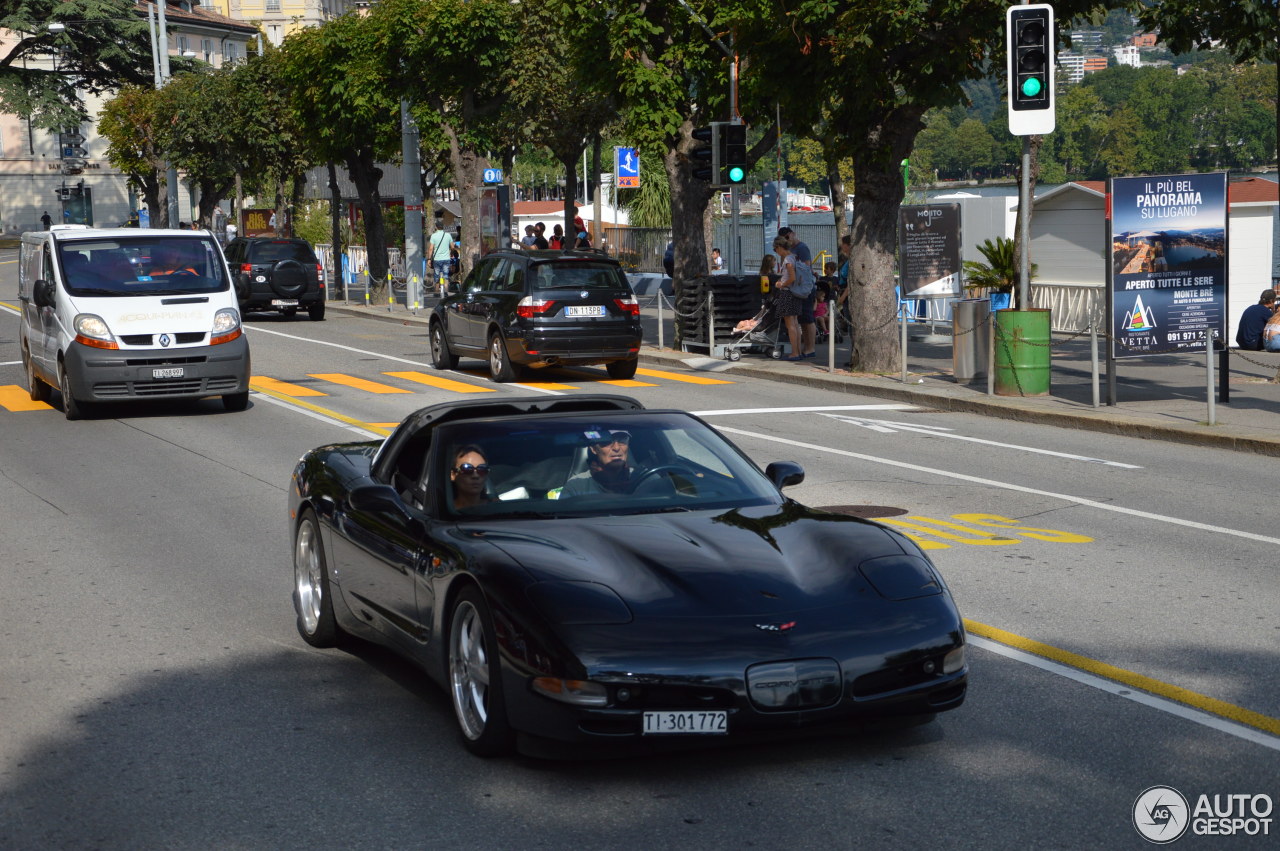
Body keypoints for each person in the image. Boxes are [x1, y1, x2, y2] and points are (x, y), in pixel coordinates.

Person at [779, 227, 817, 358]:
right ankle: (803, 347)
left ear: (793, 234)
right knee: (800, 320)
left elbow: (806, 268)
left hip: (804, 288)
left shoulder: (802, 248)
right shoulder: (790, 252)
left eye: (788, 237)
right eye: (785, 239)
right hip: (796, 289)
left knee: (808, 318)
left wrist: (789, 280)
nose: (787, 240)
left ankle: (810, 347)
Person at [561, 430, 633, 496]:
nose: (616, 448)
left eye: (622, 440)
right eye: (607, 441)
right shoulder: (577, 486)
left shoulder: (640, 477)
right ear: (594, 449)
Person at [771, 235, 805, 361]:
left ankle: (794, 352)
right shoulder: (796, 257)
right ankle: (799, 351)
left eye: (775, 249)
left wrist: (781, 284)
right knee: (795, 323)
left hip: (787, 292)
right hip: (796, 293)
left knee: (790, 324)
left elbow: (792, 278)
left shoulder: (788, 260)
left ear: (780, 247)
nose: (776, 252)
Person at [450, 445, 491, 510]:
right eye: (467, 469)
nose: (476, 476)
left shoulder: (497, 508)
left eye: (482, 469)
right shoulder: (443, 513)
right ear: (453, 475)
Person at [429, 223, 454, 297]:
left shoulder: (433, 236)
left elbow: (431, 249)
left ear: (436, 227)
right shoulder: (448, 235)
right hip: (446, 259)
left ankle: (436, 292)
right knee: (445, 276)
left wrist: (429, 259)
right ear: (443, 227)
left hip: (437, 259)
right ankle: (445, 292)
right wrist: (451, 254)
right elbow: (452, 247)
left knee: (437, 276)